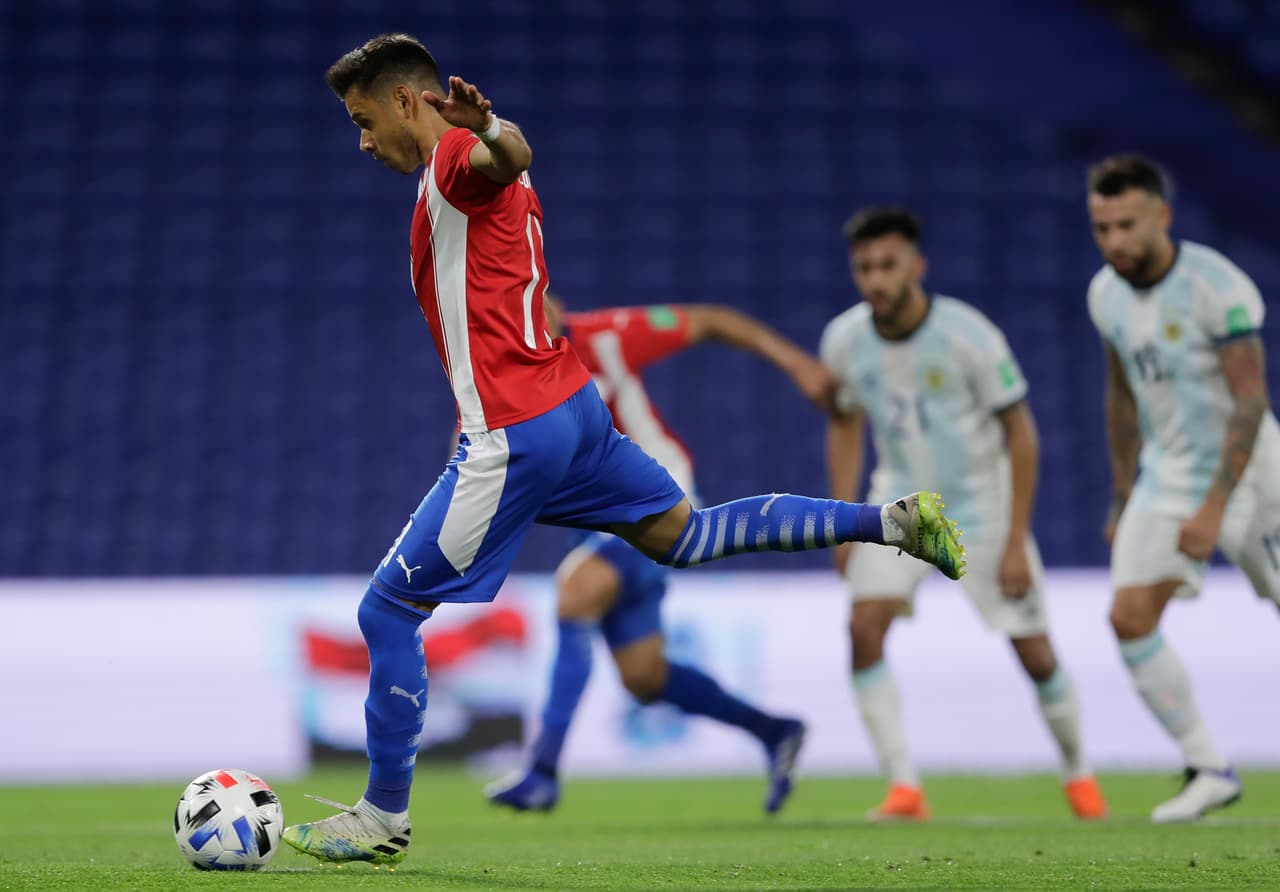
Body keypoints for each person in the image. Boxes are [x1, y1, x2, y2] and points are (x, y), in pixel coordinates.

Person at [283, 34, 964, 865]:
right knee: (690, 537)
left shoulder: (456, 155)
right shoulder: (468, 166)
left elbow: (507, 152)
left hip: (515, 431)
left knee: (387, 612)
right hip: (575, 414)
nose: (361, 141)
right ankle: (891, 524)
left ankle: (383, 814)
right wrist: (497, 136)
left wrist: (488, 128)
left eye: (362, 120)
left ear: (403, 102)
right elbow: (516, 160)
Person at [486, 295, 830, 816]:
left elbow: (713, 319)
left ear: (548, 300)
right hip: (600, 525)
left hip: (660, 502)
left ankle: (542, 773)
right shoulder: (507, 373)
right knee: (643, 676)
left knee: (575, 593)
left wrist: (795, 361)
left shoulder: (607, 336)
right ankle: (775, 731)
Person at [820, 207, 1107, 822]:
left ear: (916, 267)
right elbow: (845, 421)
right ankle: (904, 790)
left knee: (1035, 653)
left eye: (888, 265)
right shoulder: (844, 340)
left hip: (982, 506)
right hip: (902, 504)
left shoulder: (968, 335)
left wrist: (1014, 540)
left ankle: (1080, 776)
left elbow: (1022, 435)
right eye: (865, 267)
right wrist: (845, 520)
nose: (876, 279)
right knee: (862, 628)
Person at [1086, 154, 1280, 822]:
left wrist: (1215, 508)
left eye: (1126, 225)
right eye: (1102, 228)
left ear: (1161, 217)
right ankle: (1207, 767)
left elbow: (1251, 403)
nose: (1114, 242)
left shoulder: (1214, 285)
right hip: (1167, 475)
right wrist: (1119, 491)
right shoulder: (1104, 295)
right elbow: (1120, 391)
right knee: (1128, 617)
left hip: (1252, 473)